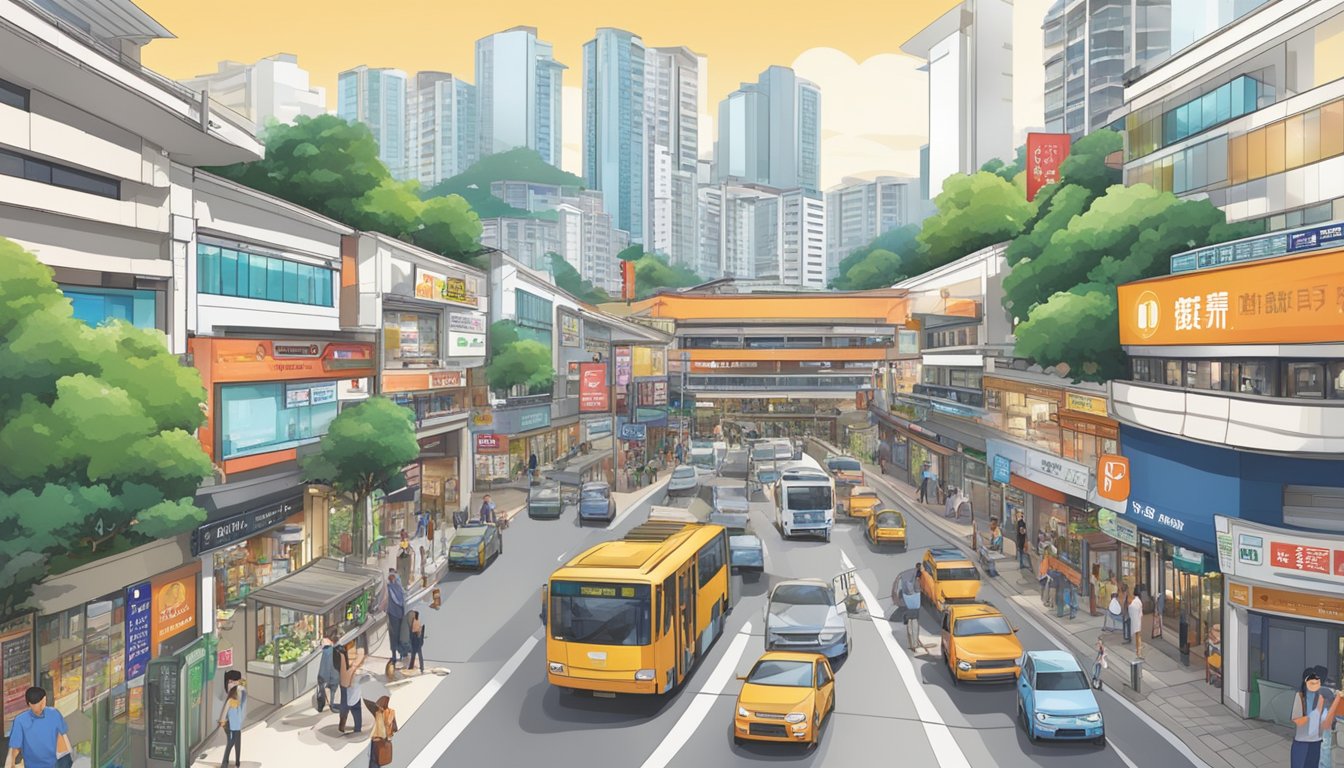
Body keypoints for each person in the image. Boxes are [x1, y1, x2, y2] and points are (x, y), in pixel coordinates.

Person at [5, 686, 71, 768]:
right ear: (29, 704)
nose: (41, 705)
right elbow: (15, 746)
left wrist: (68, 760)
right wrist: (11, 762)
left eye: (43, 702)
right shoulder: (20, 721)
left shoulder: (54, 714)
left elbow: (64, 737)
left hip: (54, 765)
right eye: (38, 704)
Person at [1291, 668, 1334, 768]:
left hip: (1315, 742)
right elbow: (1296, 719)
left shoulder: (1323, 695)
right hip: (1302, 742)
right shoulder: (1300, 696)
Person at [218, 670, 246, 768]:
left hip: (236, 724)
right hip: (229, 724)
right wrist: (222, 722)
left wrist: (241, 683)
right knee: (231, 742)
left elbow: (242, 688)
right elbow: (224, 713)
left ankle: (237, 762)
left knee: (237, 742)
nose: (232, 685)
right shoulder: (230, 700)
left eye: (234, 682)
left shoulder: (238, 695)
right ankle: (224, 763)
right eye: (230, 682)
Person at [338, 646, 366, 734]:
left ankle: (344, 727)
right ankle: (356, 728)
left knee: (348, 707)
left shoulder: (342, 651)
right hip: (351, 679)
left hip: (348, 680)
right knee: (355, 707)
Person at [368, 695, 398, 768]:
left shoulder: (377, 712)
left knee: (374, 759)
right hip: (385, 739)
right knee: (379, 759)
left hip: (376, 739)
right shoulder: (391, 712)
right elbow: (395, 728)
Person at [386, 569, 406, 666]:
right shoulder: (397, 587)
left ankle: (397, 655)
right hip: (398, 613)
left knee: (395, 635)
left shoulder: (390, 587)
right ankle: (400, 654)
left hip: (394, 614)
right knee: (398, 635)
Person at [317, 630, 340, 712]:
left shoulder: (326, 650)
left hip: (323, 675)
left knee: (322, 689)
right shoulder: (332, 650)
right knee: (333, 690)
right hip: (331, 675)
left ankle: (321, 706)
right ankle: (332, 706)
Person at [1129, 589, 1145, 657]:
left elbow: (1130, 610)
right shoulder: (1139, 602)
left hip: (1133, 620)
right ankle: (1138, 650)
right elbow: (1141, 613)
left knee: (1136, 635)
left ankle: (1138, 650)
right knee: (1138, 635)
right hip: (1138, 620)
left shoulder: (1133, 602)